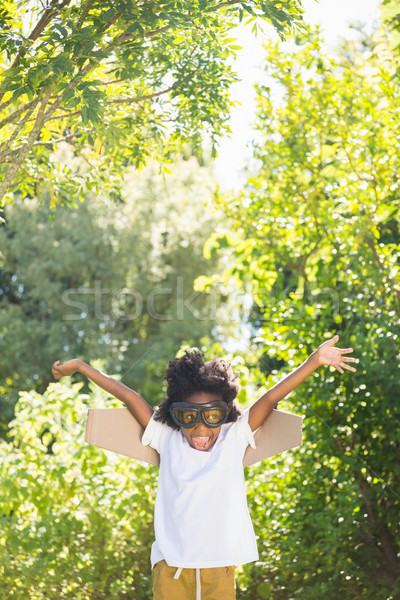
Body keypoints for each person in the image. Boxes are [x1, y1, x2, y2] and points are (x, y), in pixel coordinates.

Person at [52, 334, 356, 600]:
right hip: (171, 567)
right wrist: (80, 366)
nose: (200, 429)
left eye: (211, 416)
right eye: (188, 417)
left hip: (218, 566)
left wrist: (315, 361)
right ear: (175, 415)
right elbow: (129, 396)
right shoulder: (167, 439)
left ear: (224, 414)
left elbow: (272, 397)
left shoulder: (233, 439)